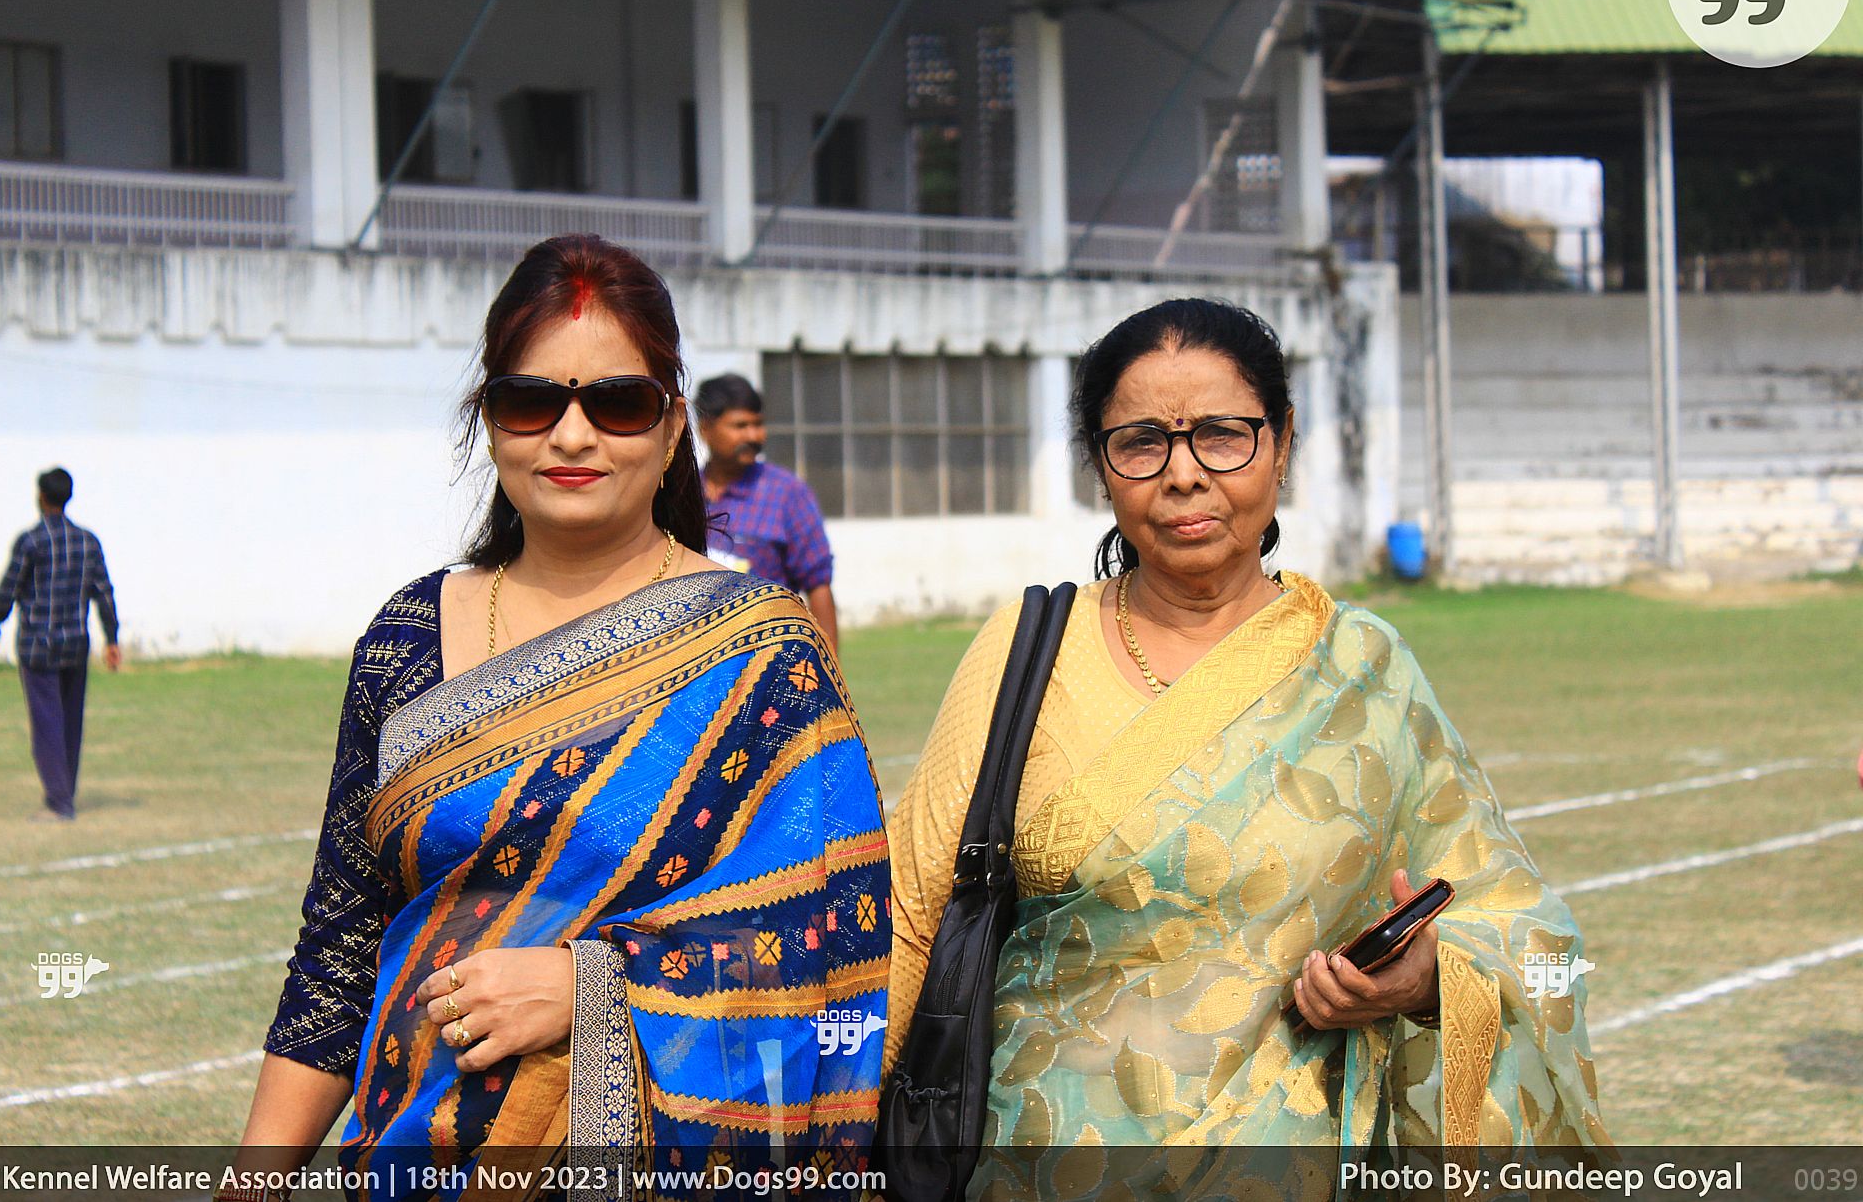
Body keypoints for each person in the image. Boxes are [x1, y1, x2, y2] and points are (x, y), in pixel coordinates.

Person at [225, 236, 889, 1202]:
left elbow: (831, 943)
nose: (572, 436)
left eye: (616, 403)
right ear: (487, 421)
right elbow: (340, 949)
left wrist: (595, 988)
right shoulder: (408, 638)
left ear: (672, 428)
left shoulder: (764, 658)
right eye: (532, 401)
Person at [886, 299, 1607, 1185]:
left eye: (1222, 435)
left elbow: (1522, 927)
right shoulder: (1028, 653)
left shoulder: (1363, 670)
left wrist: (1424, 981)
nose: (1184, 475)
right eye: (1142, 443)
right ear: (1101, 467)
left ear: (1283, 441)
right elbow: (909, 917)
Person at [0, 466, 121, 822]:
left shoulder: (31, 541)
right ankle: (65, 792)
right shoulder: (88, 542)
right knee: (70, 722)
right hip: (76, 644)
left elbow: (10, 587)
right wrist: (112, 638)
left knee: (47, 723)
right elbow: (103, 591)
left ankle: (59, 802)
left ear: (41, 497)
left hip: (38, 646)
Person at [694, 373, 839, 650]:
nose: (754, 435)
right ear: (705, 429)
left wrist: (829, 664)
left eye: (758, 424)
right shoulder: (682, 495)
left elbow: (818, 584)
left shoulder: (787, 493)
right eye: (740, 425)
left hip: (769, 658)